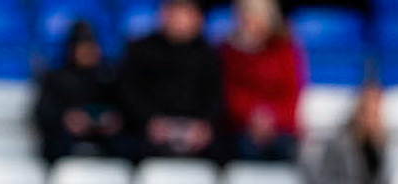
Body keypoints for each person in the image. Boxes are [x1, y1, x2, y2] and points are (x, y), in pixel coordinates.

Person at [117, 0, 226, 160]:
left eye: (186, 13)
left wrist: (204, 126)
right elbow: (129, 92)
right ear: (163, 15)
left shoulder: (209, 55)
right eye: (175, 12)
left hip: (196, 131)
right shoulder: (141, 50)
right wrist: (149, 122)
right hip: (148, 129)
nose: (180, 19)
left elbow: (216, 96)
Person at [36, 20, 133, 165]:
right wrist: (67, 119)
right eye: (83, 48)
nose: (88, 53)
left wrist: (113, 119)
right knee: (56, 145)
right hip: (66, 135)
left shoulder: (109, 78)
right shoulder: (56, 78)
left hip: (104, 135)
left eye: (92, 48)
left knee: (128, 145)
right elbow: (44, 112)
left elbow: (126, 107)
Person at [220, 0, 304, 162]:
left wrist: (271, 118)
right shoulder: (228, 51)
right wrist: (251, 116)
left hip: (280, 128)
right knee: (244, 147)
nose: (249, 20)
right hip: (240, 126)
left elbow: (291, 94)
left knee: (283, 148)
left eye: (254, 15)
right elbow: (229, 93)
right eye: (244, 15)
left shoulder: (286, 50)